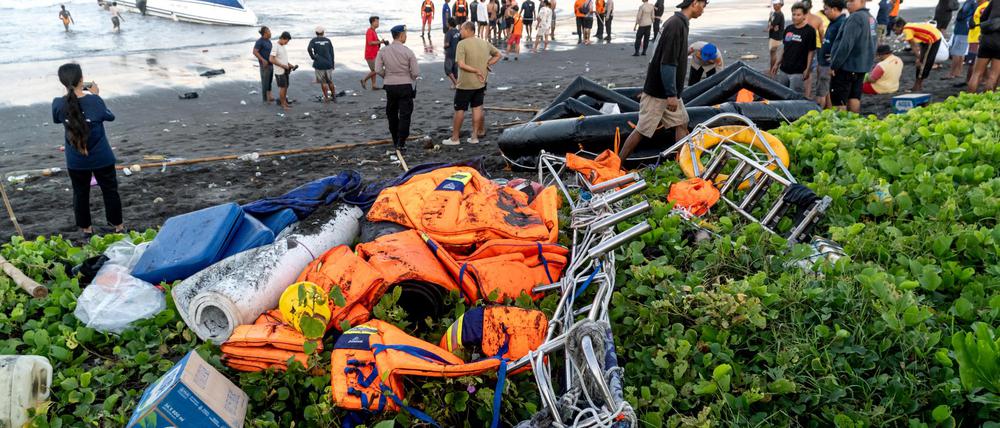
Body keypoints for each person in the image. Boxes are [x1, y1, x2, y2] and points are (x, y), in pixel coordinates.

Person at [619, 0, 708, 161]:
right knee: (642, 130)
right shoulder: (676, 25)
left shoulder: (678, 23)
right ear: (694, 3)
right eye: (703, 4)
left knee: (681, 123)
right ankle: (617, 164)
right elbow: (667, 62)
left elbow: (656, 55)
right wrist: (671, 94)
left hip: (666, 89)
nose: (703, 9)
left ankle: (683, 162)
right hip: (660, 92)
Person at [52, 63, 124, 236]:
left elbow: (57, 118)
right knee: (110, 191)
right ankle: (118, 226)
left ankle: (86, 229)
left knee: (80, 193)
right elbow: (109, 116)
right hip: (101, 157)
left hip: (76, 159)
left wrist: (69, 97)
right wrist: (96, 95)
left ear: (62, 82)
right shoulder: (94, 101)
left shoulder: (58, 104)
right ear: (82, 80)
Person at [444, 21, 502, 146]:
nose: (460, 32)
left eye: (461, 29)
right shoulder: (484, 42)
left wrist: (476, 69)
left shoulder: (462, 44)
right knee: (477, 108)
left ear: (468, 30)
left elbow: (461, 64)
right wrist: (487, 64)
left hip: (465, 83)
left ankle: (455, 138)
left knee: (460, 109)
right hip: (481, 82)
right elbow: (498, 54)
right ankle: (474, 136)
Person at [374, 25, 420, 151]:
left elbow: (377, 69)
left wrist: (387, 76)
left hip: (390, 85)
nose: (406, 36)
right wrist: (408, 76)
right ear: (400, 35)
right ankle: (401, 141)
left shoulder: (383, 51)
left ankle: (395, 138)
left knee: (392, 113)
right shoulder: (408, 51)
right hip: (405, 85)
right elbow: (415, 72)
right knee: (405, 114)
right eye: (405, 34)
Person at [828, 0, 875, 113]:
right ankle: (855, 124)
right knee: (854, 96)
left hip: (847, 66)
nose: (848, 4)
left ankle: (841, 127)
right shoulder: (871, 18)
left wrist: (834, 64)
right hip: (861, 66)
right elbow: (874, 43)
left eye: (852, 1)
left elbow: (846, 44)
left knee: (839, 100)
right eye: (847, 1)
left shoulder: (855, 17)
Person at [772, 2, 817, 95]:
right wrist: (777, 63)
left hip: (798, 72)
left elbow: (811, 51)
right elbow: (784, 48)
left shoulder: (810, 31)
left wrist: (807, 69)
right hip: (784, 69)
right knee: (780, 95)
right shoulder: (789, 29)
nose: (795, 17)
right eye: (793, 14)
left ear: (804, 15)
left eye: (798, 15)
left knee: (794, 97)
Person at [893, 19, 944, 91]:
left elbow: (913, 45)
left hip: (932, 38)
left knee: (923, 63)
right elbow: (916, 41)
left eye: (895, 30)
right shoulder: (908, 26)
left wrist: (919, 58)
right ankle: (917, 85)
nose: (895, 32)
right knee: (921, 62)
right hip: (927, 38)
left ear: (900, 27)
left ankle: (918, 86)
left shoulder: (906, 29)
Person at [816, 0, 846, 109]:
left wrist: (833, 61)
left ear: (834, 9)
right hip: (824, 62)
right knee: (827, 90)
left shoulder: (841, 23)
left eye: (826, 9)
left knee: (821, 92)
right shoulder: (834, 22)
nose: (825, 11)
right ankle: (827, 110)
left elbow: (842, 44)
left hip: (829, 64)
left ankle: (818, 113)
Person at [968, 1, 998, 91]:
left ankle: (967, 100)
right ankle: (986, 102)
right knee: (993, 76)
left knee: (976, 74)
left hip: (987, 39)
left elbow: (983, 18)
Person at [949, 0, 977, 78]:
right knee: (961, 52)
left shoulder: (971, 2)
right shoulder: (973, 2)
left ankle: (952, 73)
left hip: (962, 29)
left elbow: (963, 14)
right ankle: (957, 72)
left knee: (956, 52)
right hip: (964, 29)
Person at [308, 26, 336, 103]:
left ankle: (326, 97)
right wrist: (332, 63)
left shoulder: (314, 40)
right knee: (330, 81)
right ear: (323, 32)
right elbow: (332, 53)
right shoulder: (328, 41)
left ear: (316, 33)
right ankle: (334, 96)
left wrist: (313, 57)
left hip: (319, 63)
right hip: (328, 63)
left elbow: (309, 49)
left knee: (323, 82)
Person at [271, 32, 297, 110]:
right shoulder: (275, 46)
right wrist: (282, 65)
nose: (287, 43)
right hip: (279, 71)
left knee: (285, 87)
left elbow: (283, 59)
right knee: (283, 87)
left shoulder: (282, 46)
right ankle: (283, 105)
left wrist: (290, 65)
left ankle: (285, 102)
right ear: (282, 38)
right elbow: (271, 59)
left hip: (285, 70)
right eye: (286, 41)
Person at [362, 16, 388, 90]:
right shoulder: (369, 31)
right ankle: (364, 80)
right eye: (377, 22)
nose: (378, 23)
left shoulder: (373, 31)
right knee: (376, 70)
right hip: (370, 54)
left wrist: (381, 42)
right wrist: (380, 42)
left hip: (374, 53)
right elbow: (370, 43)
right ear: (373, 22)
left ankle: (373, 85)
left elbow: (375, 42)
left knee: (374, 70)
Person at [253, 27, 275, 103]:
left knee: (269, 81)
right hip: (264, 65)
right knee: (265, 82)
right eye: (269, 31)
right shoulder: (260, 41)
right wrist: (262, 60)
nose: (270, 33)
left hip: (271, 64)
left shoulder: (268, 41)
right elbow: (255, 52)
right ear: (265, 33)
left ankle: (269, 96)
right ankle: (265, 99)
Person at [769, 1, 786, 75]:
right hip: (775, 35)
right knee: (773, 53)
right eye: (774, 4)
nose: (774, 6)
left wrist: (770, 27)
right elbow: (771, 23)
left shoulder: (778, 14)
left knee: (773, 53)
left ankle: (772, 70)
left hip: (776, 36)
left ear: (781, 5)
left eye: (776, 4)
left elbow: (772, 25)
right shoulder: (775, 13)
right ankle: (772, 70)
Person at [444, 17, 461, 87]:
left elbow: (447, 44)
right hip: (457, 52)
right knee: (455, 69)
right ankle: (455, 84)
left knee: (448, 70)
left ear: (449, 24)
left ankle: (456, 84)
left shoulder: (448, 33)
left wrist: (444, 46)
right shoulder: (458, 31)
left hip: (450, 53)